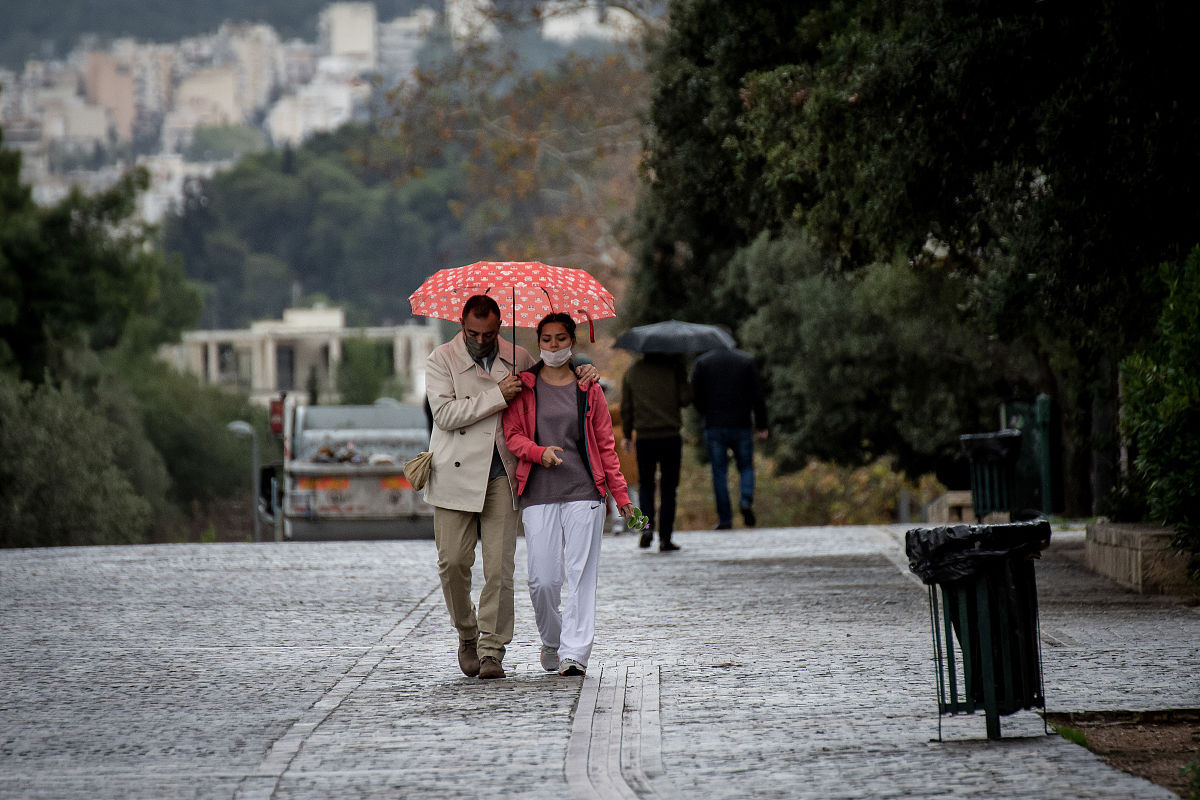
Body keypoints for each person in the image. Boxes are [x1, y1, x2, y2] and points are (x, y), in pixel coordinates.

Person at [423, 295, 597, 680]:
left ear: (500, 326)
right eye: (473, 333)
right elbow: (445, 414)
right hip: (455, 472)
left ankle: (491, 649)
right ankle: (467, 633)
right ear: (461, 325)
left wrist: (586, 369)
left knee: (500, 568)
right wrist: (496, 395)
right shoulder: (441, 360)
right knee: (452, 562)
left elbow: (555, 376)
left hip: (503, 469)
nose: (481, 340)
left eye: (489, 333)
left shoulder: (517, 356)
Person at [503, 313, 633, 677]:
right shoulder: (523, 387)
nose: (554, 346)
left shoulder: (588, 389)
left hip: (584, 492)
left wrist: (620, 496)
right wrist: (537, 451)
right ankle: (553, 640)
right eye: (547, 339)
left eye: (561, 339)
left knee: (580, 576)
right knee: (543, 580)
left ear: (572, 343)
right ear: (538, 342)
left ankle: (574, 653)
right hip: (538, 493)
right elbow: (512, 434)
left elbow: (606, 446)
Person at [690, 346, 769, 529]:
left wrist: (706, 413)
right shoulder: (746, 361)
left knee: (719, 472)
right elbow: (758, 395)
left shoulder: (703, 362)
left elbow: (695, 394)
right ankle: (746, 500)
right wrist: (762, 424)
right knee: (746, 466)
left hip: (714, 424)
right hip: (741, 423)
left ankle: (725, 519)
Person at [620, 352, 690, 551]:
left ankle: (647, 529)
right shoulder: (674, 369)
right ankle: (666, 538)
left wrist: (627, 434)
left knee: (646, 486)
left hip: (644, 437)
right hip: (670, 436)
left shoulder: (632, 372)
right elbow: (686, 399)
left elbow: (626, 407)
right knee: (669, 489)